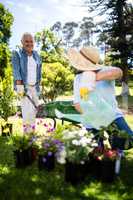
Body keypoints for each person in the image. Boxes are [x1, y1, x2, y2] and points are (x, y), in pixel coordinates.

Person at [67, 47, 133, 136]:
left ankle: (117, 149)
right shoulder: (78, 78)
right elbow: (77, 103)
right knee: (95, 148)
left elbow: (119, 72)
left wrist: (94, 78)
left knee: (126, 140)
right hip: (91, 120)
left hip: (113, 116)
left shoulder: (106, 70)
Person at [12, 32, 42, 133]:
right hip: (24, 87)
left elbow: (39, 70)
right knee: (27, 112)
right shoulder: (17, 53)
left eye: (31, 41)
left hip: (35, 87)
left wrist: (39, 85)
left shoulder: (36, 55)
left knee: (33, 112)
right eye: (26, 41)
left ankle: (32, 134)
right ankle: (28, 137)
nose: (29, 43)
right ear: (22, 42)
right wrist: (19, 86)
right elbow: (16, 70)